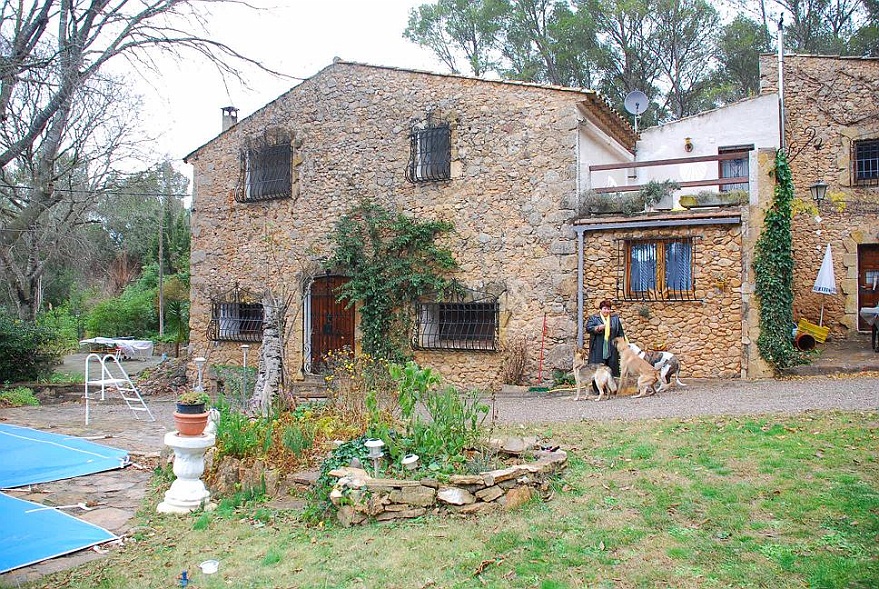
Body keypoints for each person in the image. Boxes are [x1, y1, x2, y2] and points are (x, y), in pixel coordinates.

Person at [585, 299, 626, 377]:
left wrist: (622, 344)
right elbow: (588, 328)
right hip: (598, 348)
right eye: (605, 308)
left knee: (612, 368)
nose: (607, 311)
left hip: (611, 348)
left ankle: (612, 388)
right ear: (600, 309)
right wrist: (598, 328)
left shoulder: (615, 319)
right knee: (598, 369)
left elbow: (620, 333)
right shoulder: (594, 318)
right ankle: (598, 389)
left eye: (608, 309)